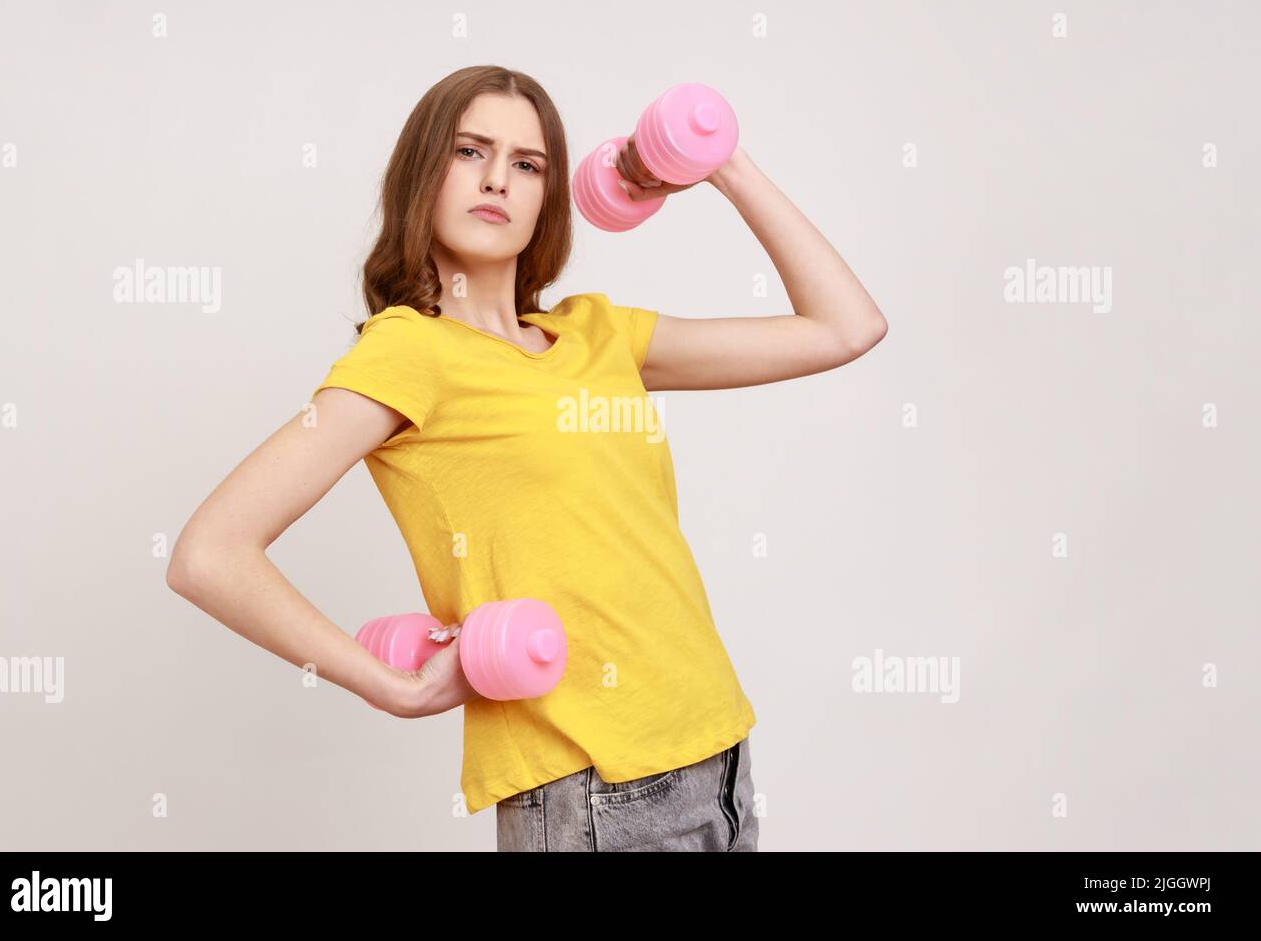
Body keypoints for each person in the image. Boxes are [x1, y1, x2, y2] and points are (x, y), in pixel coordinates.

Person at [166, 65, 887, 852]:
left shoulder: (598, 335)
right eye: (470, 151)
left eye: (527, 163)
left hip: (716, 755)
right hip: (593, 789)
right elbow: (210, 553)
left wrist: (718, 163)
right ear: (423, 173)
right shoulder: (409, 353)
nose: (497, 179)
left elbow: (844, 326)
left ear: (549, 194)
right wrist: (388, 687)